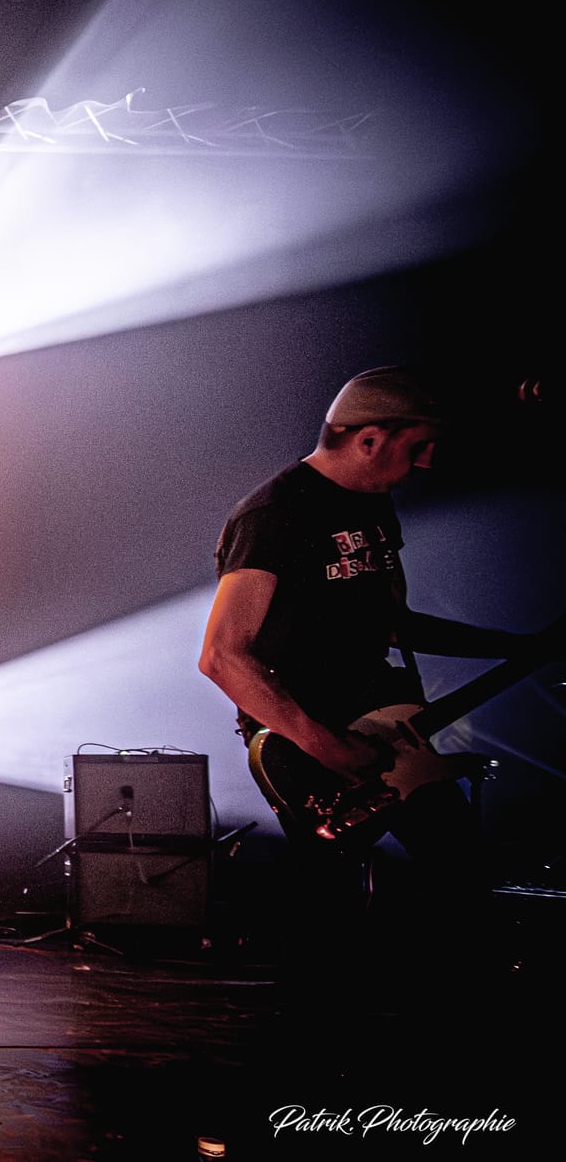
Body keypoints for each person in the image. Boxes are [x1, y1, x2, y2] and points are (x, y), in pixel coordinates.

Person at [197, 366, 533, 978]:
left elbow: (392, 624)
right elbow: (222, 655)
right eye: (418, 445)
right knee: (333, 900)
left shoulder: (375, 506)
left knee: (455, 867)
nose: (427, 461)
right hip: (309, 739)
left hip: (384, 722)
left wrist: (519, 647)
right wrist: (324, 744)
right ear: (371, 438)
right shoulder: (273, 514)